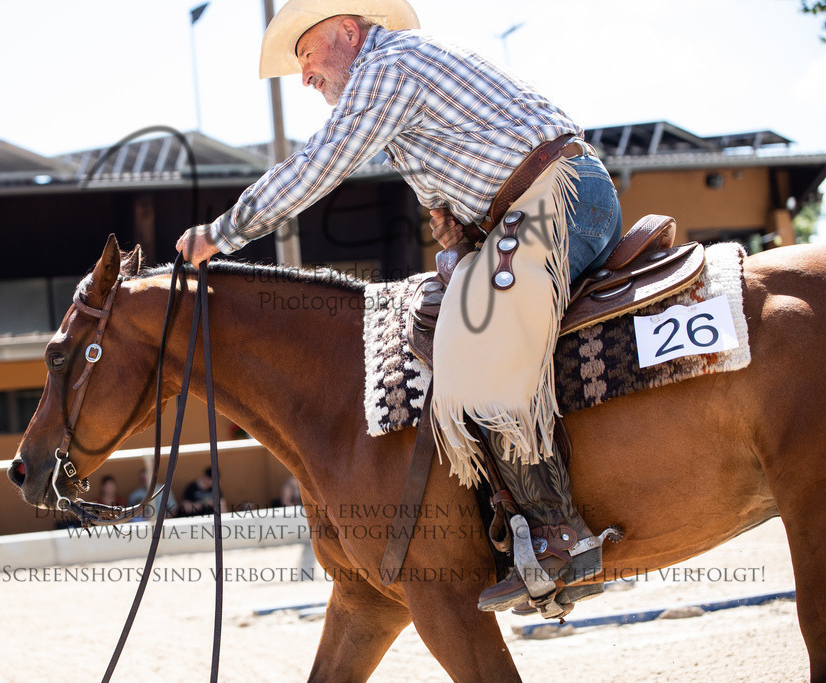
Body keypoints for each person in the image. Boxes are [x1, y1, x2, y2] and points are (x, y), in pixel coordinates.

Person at [175, 0, 622, 617]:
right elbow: (444, 206)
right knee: (430, 321)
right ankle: (506, 515)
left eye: (307, 57)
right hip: (526, 213)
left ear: (347, 32)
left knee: (476, 338)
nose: (305, 76)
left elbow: (321, 162)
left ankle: (560, 535)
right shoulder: (401, 85)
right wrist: (456, 241)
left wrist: (223, 233)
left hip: (557, 204)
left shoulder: (388, 68)